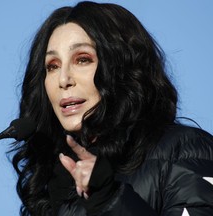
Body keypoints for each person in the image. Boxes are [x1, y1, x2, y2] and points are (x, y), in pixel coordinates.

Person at [11, 1, 213, 215]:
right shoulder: (53, 181)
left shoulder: (185, 149)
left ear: (123, 68)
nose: (63, 79)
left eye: (82, 59)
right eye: (52, 66)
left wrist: (110, 199)